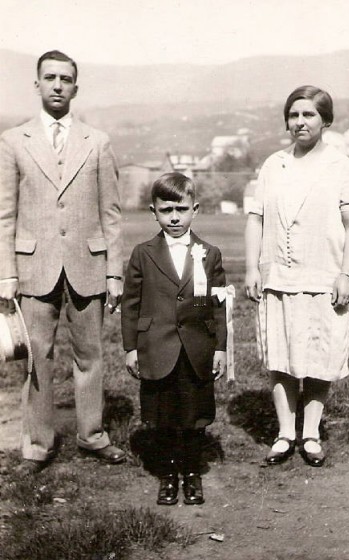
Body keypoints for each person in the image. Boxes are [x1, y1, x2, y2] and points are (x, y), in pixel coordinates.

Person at [0, 50, 126, 473]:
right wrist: (7, 275)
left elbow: (111, 214)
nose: (57, 85)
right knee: (38, 356)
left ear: (76, 86)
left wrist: (113, 271)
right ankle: (37, 444)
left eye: (65, 78)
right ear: (36, 84)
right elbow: (4, 215)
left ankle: (92, 436)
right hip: (34, 268)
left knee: (90, 355)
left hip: (88, 266)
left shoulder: (97, 141)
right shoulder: (13, 141)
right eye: (49, 77)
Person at [245, 85, 349, 467]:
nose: (300, 122)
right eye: (294, 115)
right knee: (280, 357)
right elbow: (255, 219)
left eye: (309, 114)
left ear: (325, 120)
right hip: (278, 275)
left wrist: (346, 274)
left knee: (318, 358)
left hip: (324, 275)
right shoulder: (273, 165)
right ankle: (284, 433)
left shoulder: (341, 167)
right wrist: (252, 268)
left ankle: (310, 433)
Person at [121, 172, 227, 506]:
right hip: (157, 347)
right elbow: (131, 305)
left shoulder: (209, 253)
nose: (175, 217)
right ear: (154, 212)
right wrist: (130, 348)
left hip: (197, 349)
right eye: (166, 210)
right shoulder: (143, 253)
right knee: (162, 415)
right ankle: (168, 476)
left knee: (195, 415)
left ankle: (192, 473)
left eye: (181, 208)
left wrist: (220, 347)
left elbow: (217, 305)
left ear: (195, 209)